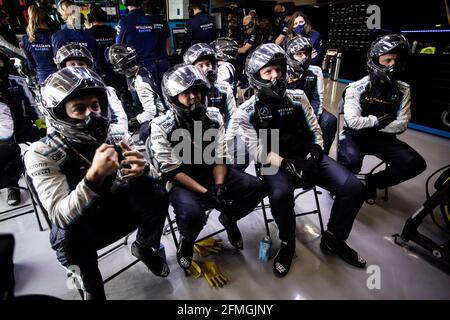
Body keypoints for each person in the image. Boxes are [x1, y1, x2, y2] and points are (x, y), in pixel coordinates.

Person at [24, 66, 170, 300]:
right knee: (66, 238)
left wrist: (145, 170)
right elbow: (60, 216)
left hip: (115, 210)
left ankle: (143, 245)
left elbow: (154, 176)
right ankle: (92, 289)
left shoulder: (115, 135)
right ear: (61, 113)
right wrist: (93, 178)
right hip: (81, 230)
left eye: (94, 106)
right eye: (79, 109)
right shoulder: (42, 153)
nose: (91, 115)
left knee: (157, 193)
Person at [237, 43, 367, 277]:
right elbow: (257, 150)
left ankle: (333, 238)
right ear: (255, 77)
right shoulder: (246, 111)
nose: (275, 76)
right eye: (268, 72)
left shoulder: (298, 98)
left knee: (353, 187)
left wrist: (314, 154)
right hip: (272, 161)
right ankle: (288, 243)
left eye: (278, 69)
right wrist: (287, 164)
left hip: (304, 155)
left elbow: (315, 131)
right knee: (280, 194)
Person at [149, 63, 267, 271]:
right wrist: (208, 193)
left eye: (197, 91)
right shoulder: (161, 126)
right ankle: (187, 241)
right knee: (193, 215)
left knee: (258, 187)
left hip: (213, 172)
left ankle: (229, 218)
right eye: (186, 92)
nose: (194, 96)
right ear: (173, 97)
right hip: (182, 180)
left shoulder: (214, 116)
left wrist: (219, 187)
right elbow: (172, 172)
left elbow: (220, 156)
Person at [337, 34, 426, 203]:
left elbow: (402, 124)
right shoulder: (356, 88)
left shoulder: (403, 89)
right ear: (376, 60)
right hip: (354, 137)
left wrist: (369, 124)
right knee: (352, 162)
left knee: (415, 164)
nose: (393, 64)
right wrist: (379, 121)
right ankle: (343, 188)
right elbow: (353, 123)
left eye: (396, 60)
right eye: (388, 60)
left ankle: (374, 181)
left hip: (384, 140)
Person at [54, 43, 128, 135]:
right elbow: (54, 126)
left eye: (81, 64)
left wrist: (110, 136)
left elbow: (121, 120)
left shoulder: (106, 90)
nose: (77, 67)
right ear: (63, 67)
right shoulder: (56, 95)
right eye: (72, 64)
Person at [0, 50, 42, 206]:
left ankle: (44, 175)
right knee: (6, 155)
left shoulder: (18, 82)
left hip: (23, 127)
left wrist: (42, 126)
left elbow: (33, 106)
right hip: (2, 135)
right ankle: (13, 184)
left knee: (46, 144)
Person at [105, 43, 166, 142]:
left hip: (158, 117)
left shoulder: (141, 82)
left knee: (144, 132)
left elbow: (151, 112)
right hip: (146, 110)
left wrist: (135, 121)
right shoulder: (140, 72)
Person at [286, 36, 337, 154]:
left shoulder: (315, 71)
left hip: (308, 113)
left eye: (306, 53)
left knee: (330, 120)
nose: (304, 57)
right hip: (285, 113)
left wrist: (309, 121)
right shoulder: (281, 71)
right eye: (299, 54)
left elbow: (317, 100)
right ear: (290, 55)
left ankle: (321, 155)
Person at [183, 43, 237, 141]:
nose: (206, 68)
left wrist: (227, 141)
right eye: (200, 65)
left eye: (208, 64)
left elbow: (233, 117)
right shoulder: (185, 92)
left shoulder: (224, 88)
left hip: (221, 136)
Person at [116, 0, 171, 87]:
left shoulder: (124, 22)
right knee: (165, 97)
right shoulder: (159, 20)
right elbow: (169, 49)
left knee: (142, 99)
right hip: (163, 67)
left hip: (140, 71)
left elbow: (118, 49)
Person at [85, 5, 127, 93]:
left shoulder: (88, 34)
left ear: (90, 19)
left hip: (98, 72)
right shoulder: (113, 31)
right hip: (115, 70)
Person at [20, 5, 57, 85]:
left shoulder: (25, 39)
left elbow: (31, 65)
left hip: (42, 79)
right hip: (58, 77)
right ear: (48, 20)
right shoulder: (55, 36)